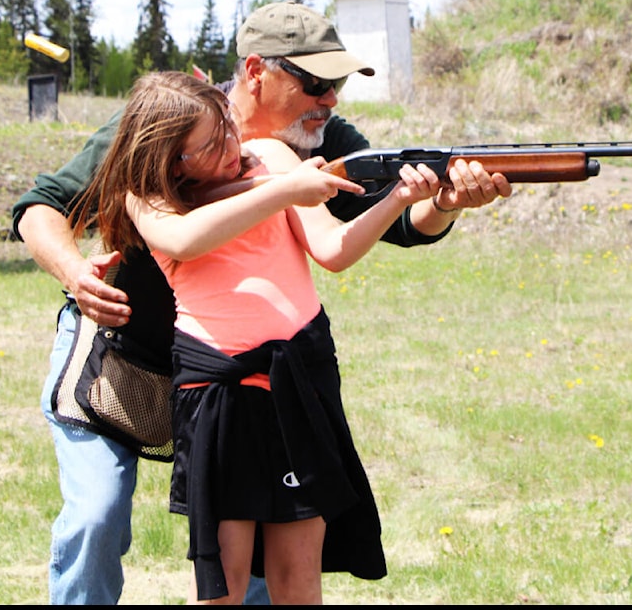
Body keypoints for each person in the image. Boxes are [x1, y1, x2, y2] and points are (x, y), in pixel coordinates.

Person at [11, 1, 511, 605]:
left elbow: (400, 223)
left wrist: (448, 201)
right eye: (315, 84)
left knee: (260, 573)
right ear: (255, 72)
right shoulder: (161, 121)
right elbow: (42, 204)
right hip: (123, 362)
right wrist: (75, 273)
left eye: (339, 85)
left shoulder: (312, 143)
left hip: (247, 380)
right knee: (95, 518)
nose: (330, 101)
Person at [70, 70, 444, 603]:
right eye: (211, 144)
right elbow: (186, 239)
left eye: (227, 128)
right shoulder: (148, 196)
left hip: (299, 379)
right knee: (226, 583)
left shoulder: (270, 154)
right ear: (173, 159)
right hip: (218, 393)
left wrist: (398, 200)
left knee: (298, 578)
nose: (232, 146)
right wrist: (283, 190)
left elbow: (333, 250)